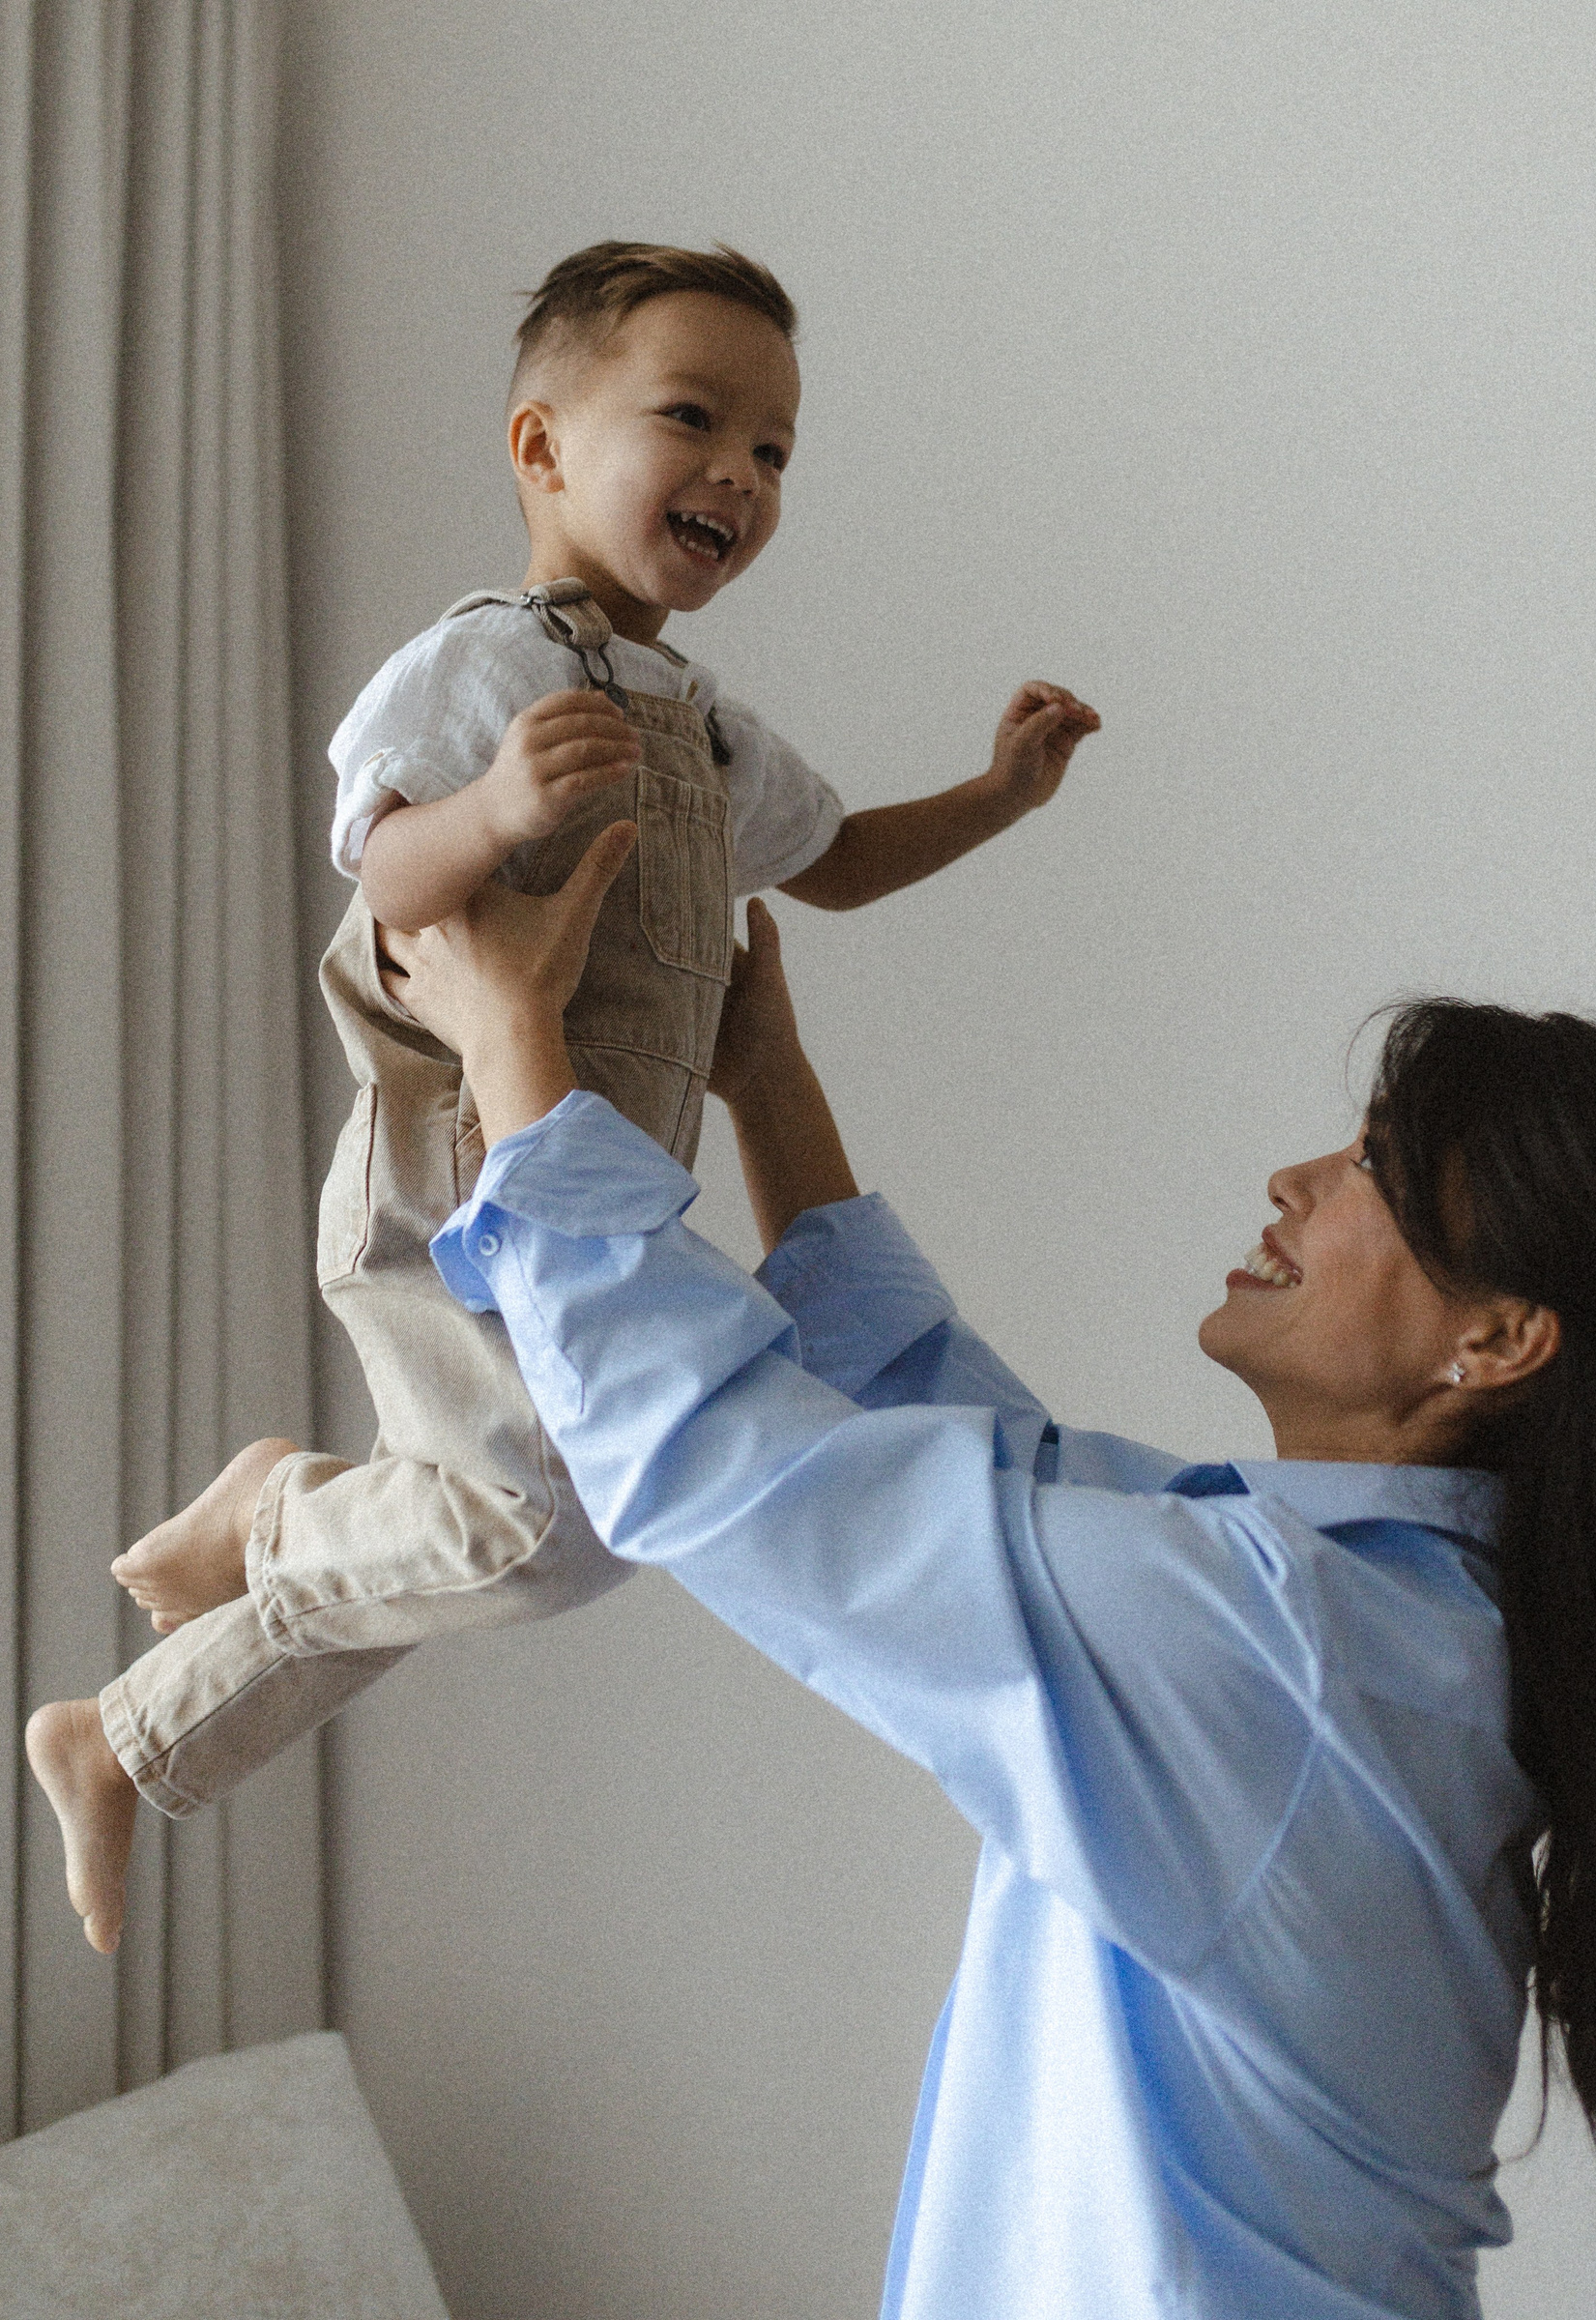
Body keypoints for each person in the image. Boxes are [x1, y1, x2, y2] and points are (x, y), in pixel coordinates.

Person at [376, 833, 1596, 2315]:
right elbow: (971, 1451)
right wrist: (770, 1085)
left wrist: (513, 1045)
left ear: (1500, 1340)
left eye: (1374, 1169)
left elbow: (731, 1465)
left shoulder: (1296, 1647)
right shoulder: (1391, 1618)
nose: (1296, 1182)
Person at [24, 241, 1099, 1955]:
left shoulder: (711, 729)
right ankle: (253, 1544)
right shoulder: (485, 666)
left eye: (774, 449)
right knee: (542, 1523)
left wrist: (999, 796)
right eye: (694, 420)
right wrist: (496, 814)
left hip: (584, 1195)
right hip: (451, 1174)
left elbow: (836, 865)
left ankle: (137, 1723)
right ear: (540, 448)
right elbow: (383, 876)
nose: (740, 473)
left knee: (506, 1523)